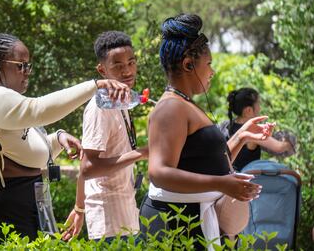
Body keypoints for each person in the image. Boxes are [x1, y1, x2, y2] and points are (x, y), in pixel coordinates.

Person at [0, 33, 129, 240]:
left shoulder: (6, 100)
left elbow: (24, 148)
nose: (27, 73)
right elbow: (38, 110)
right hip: (0, 207)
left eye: (28, 66)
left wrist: (57, 139)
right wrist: (95, 85)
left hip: (25, 200)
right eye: (20, 66)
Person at [139, 14, 274, 249]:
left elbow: (207, 164)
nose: (212, 71)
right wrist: (223, 184)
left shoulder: (185, 103)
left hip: (192, 220)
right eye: (209, 63)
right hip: (176, 224)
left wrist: (241, 136)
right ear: (188, 64)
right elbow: (159, 172)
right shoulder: (171, 107)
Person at [62, 31, 148, 242]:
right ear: (102, 70)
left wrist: (79, 208)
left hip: (125, 215)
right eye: (117, 65)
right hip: (109, 222)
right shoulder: (99, 107)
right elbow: (88, 167)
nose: (127, 71)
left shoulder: (120, 101)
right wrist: (142, 153)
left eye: (131, 62)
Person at [219, 87, 295, 171]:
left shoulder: (225, 125)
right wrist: (290, 142)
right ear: (248, 110)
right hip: (245, 180)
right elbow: (279, 147)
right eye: (258, 104)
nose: (260, 108)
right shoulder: (251, 130)